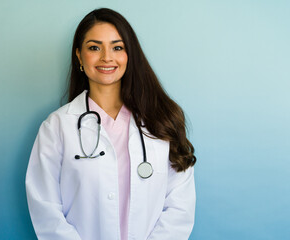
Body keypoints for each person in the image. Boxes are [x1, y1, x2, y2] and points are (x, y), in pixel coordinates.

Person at [26, 8, 196, 240]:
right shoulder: (57, 126)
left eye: (117, 47)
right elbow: (45, 207)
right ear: (79, 56)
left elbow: (180, 205)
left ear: (129, 55)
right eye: (94, 47)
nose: (107, 57)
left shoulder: (160, 120)